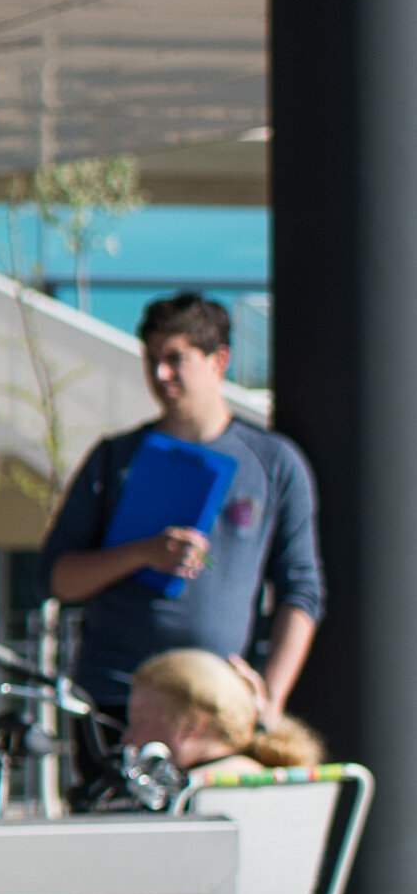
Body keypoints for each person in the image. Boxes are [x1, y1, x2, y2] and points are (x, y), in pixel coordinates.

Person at [39, 292, 324, 726]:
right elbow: (59, 579)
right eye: (151, 359)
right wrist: (143, 553)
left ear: (218, 360)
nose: (160, 373)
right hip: (117, 698)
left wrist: (271, 696)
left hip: (215, 703)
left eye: (176, 358)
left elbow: (301, 590)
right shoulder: (115, 458)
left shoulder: (274, 463)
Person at [122, 645, 329, 775]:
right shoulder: (281, 780)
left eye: (139, 721)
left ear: (190, 725)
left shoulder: (191, 791)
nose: (127, 737)